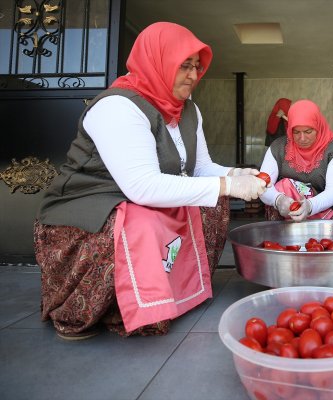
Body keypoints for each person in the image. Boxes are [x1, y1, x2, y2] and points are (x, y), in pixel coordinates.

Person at [33, 22, 268, 340]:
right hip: (91, 203)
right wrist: (227, 186)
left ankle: (174, 292)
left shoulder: (188, 110)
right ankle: (106, 309)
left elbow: (199, 168)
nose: (193, 75)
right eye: (184, 65)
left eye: (197, 66)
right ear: (157, 61)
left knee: (208, 205)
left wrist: (234, 175)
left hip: (137, 198)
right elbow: (142, 186)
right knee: (144, 219)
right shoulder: (118, 107)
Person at [259, 99, 333, 222]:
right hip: (291, 207)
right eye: (296, 132)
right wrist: (278, 199)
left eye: (308, 131)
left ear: (318, 126)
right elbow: (263, 185)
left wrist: (309, 206)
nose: (302, 138)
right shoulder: (278, 147)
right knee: (279, 191)